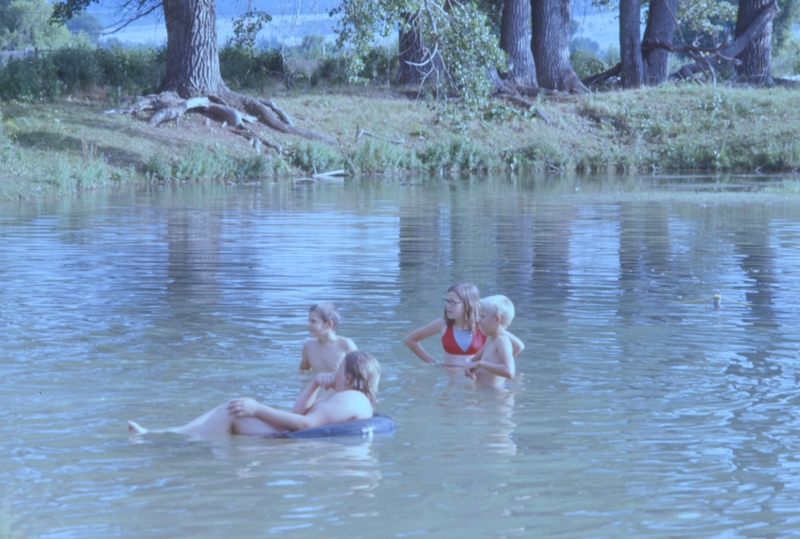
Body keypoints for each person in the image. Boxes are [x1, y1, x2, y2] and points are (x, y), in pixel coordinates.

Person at [128, 351, 381, 437]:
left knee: (235, 409)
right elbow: (298, 414)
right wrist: (314, 383)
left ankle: (177, 440)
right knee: (233, 405)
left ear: (348, 378)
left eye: (338, 371)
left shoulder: (351, 398)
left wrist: (256, 408)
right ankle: (174, 433)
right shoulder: (345, 398)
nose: (332, 373)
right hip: (293, 436)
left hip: (292, 445)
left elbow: (306, 424)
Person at [404, 283, 523, 368]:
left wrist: (491, 366)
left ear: (467, 304)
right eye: (447, 301)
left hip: (475, 380)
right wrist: (433, 363)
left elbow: (518, 346)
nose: (448, 306)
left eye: (453, 302)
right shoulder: (443, 324)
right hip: (449, 381)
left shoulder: (483, 324)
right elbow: (410, 339)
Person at [465, 295, 519, 387]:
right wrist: (469, 368)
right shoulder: (490, 340)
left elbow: (509, 371)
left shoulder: (502, 341)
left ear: (497, 319)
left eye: (482, 316)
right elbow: (472, 362)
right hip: (484, 394)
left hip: (497, 397)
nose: (478, 320)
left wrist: (481, 364)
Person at [299, 302, 357, 374]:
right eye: (308, 321)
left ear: (329, 324)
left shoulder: (346, 346)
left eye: (313, 321)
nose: (308, 325)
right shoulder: (308, 347)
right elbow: (302, 373)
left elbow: (357, 376)